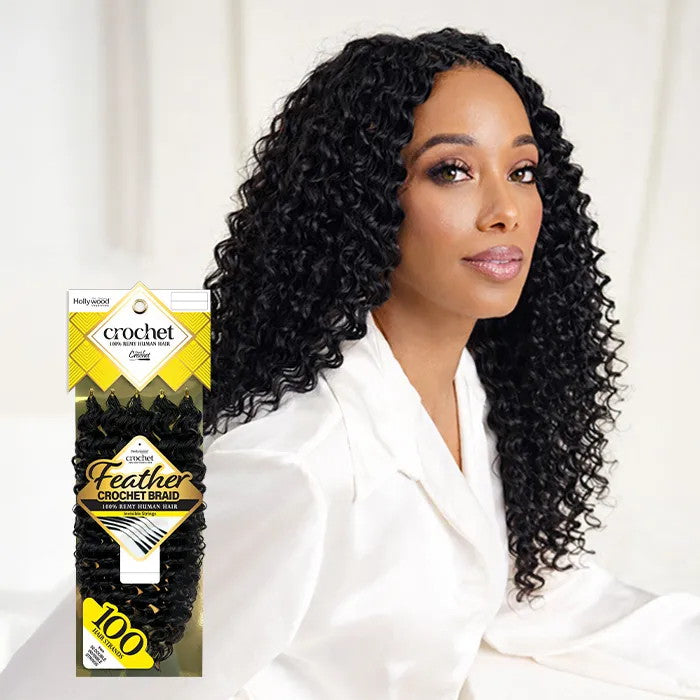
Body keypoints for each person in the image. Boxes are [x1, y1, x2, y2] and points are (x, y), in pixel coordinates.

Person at [1, 26, 698, 700]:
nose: (505, 211)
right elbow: (71, 690)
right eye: (451, 171)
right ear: (363, 199)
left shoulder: (467, 385)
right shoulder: (292, 464)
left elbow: (535, 596)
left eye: (522, 172)